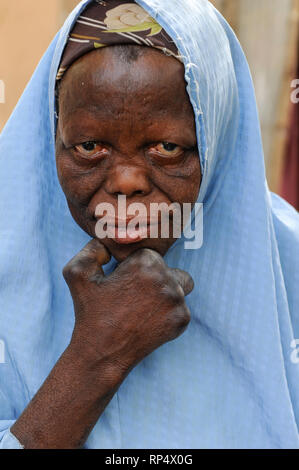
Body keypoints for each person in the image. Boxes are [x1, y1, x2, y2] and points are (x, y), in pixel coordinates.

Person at [0, 0, 298, 449]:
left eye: (167, 147)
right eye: (88, 146)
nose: (126, 182)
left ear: (214, 142)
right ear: (53, 138)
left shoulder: (288, 268)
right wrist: (97, 357)